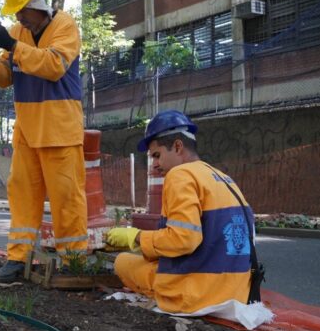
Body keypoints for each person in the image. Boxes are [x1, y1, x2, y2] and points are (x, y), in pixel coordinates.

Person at [0, 0, 87, 282]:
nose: (20, 17)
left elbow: (53, 66)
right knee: (21, 195)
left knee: (67, 199)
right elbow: (5, 78)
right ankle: (18, 259)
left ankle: (73, 260)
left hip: (60, 130)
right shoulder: (17, 34)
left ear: (37, 4)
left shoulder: (65, 26)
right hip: (27, 130)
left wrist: (11, 44)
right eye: (17, 12)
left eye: (22, 10)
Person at [105, 110, 255, 314]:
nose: (155, 165)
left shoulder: (180, 175)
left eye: (156, 155)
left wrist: (137, 237)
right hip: (237, 291)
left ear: (177, 146)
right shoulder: (222, 177)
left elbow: (184, 240)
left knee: (123, 262)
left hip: (198, 292)